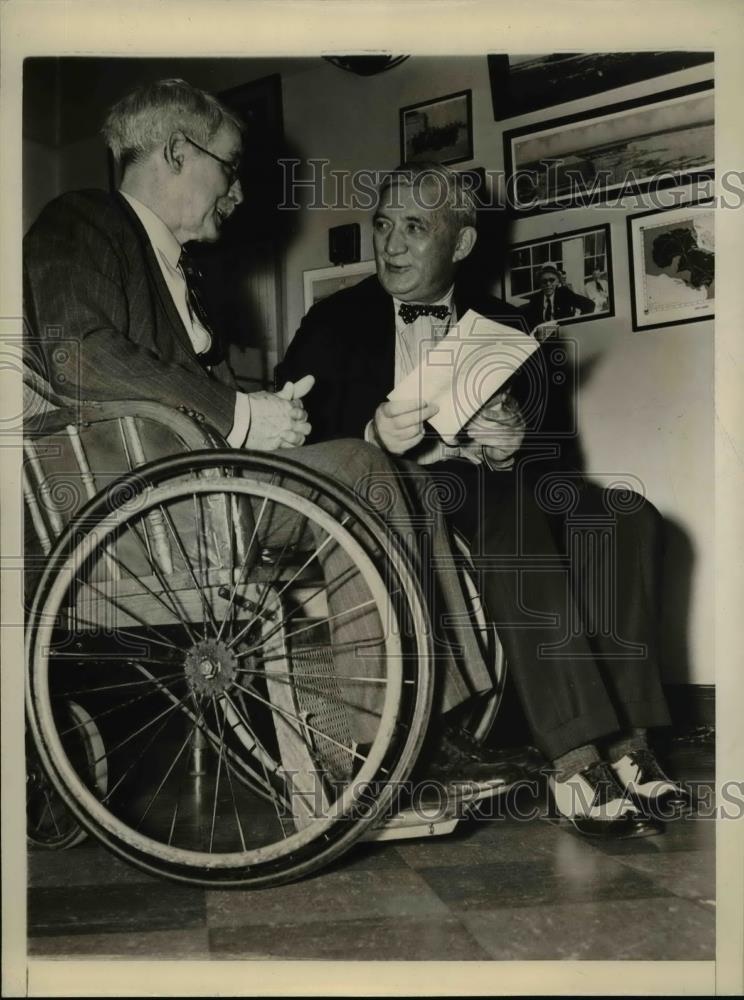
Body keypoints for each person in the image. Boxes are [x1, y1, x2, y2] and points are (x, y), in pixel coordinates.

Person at [23, 81, 519, 788]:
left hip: (188, 491)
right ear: (176, 152)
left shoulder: (171, 264)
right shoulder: (83, 220)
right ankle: (389, 751)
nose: (238, 191)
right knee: (365, 467)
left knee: (407, 481)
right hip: (143, 512)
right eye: (229, 166)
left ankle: (434, 725)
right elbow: (78, 357)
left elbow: (173, 391)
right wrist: (242, 413)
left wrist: (262, 417)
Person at [278, 161, 689, 838]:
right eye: (384, 224)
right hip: (402, 495)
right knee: (510, 510)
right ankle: (575, 758)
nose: (392, 243)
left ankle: (630, 744)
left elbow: (557, 461)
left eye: (415, 227)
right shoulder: (332, 321)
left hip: (501, 484)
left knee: (628, 516)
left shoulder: (508, 323)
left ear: (461, 243)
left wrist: (517, 440)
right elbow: (289, 436)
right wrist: (372, 433)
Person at [520, 263, 595, 329]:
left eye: (552, 280)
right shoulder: (536, 299)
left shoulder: (564, 294)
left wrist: (577, 326)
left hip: (563, 334)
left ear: (557, 281)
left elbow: (590, 305)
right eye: (544, 281)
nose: (548, 284)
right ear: (540, 283)